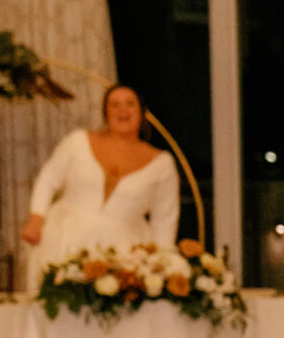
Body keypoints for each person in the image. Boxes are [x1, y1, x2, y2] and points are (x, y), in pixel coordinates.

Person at [20, 84, 181, 272]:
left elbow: (164, 221)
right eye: (115, 104)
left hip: (124, 254)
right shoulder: (77, 141)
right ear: (106, 113)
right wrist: (36, 219)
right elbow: (48, 179)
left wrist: (160, 264)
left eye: (130, 104)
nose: (122, 110)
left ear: (142, 112)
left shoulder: (162, 164)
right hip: (63, 240)